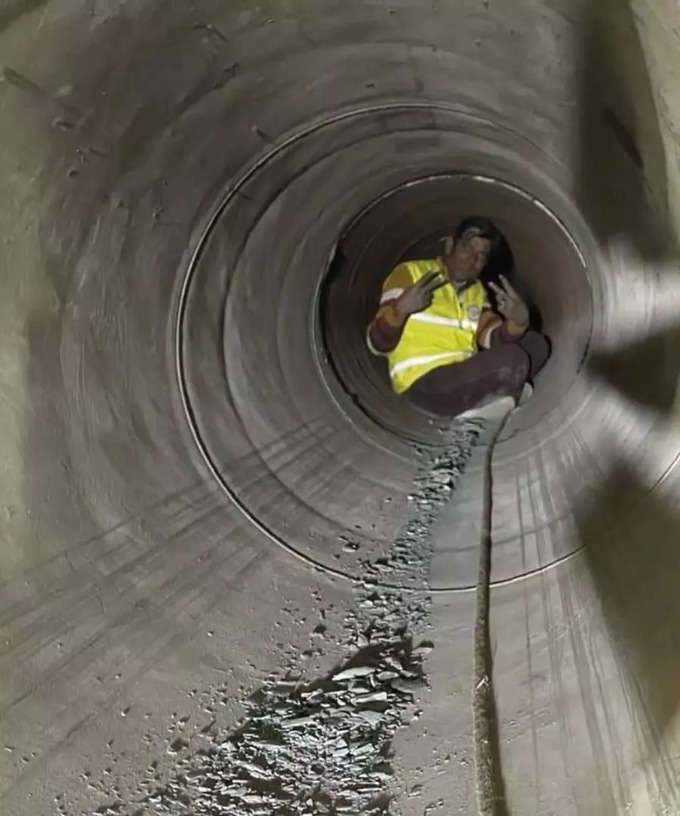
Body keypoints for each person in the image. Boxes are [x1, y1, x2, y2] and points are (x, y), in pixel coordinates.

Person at [366, 216, 550, 417]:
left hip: (463, 376)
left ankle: (497, 399)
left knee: (536, 344)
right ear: (450, 245)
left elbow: (493, 338)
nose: (472, 259)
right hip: (424, 384)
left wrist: (518, 322)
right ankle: (504, 398)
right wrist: (400, 310)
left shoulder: (477, 292)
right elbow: (377, 343)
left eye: (481, 256)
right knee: (513, 360)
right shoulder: (410, 273)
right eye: (467, 248)